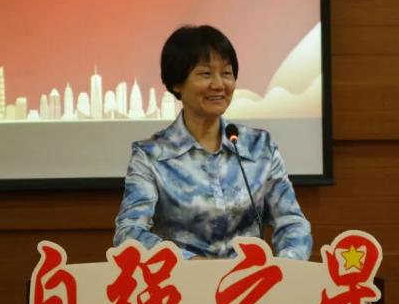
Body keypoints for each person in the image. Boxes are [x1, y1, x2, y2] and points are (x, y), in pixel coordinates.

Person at [113, 25, 312, 260]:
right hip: (183, 280)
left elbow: (292, 223)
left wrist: (284, 267)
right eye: (206, 74)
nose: (219, 84)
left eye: (226, 73)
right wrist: (191, 264)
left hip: (251, 280)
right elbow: (129, 233)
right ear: (177, 83)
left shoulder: (259, 148)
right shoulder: (151, 155)